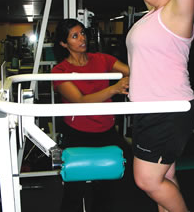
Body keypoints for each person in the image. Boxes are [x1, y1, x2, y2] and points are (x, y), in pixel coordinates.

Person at [126, 0, 194, 212]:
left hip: (169, 110)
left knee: (147, 181)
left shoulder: (178, 15)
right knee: (164, 178)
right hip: (150, 109)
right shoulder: (151, 15)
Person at [51, 18, 141, 212]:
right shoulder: (60, 71)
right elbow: (81, 101)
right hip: (78, 134)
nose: (82, 38)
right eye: (75, 36)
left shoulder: (101, 59)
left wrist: (132, 77)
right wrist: (114, 89)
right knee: (75, 190)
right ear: (64, 44)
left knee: (111, 183)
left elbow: (133, 72)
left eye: (82, 33)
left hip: (106, 130)